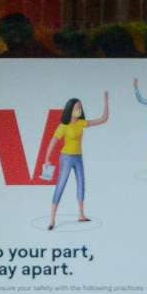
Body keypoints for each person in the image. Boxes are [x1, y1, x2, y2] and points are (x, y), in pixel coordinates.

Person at [42, 92, 109, 231]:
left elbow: (103, 119)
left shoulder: (81, 123)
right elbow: (53, 142)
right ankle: (52, 219)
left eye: (80, 107)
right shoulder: (63, 126)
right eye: (77, 107)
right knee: (61, 185)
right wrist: (47, 159)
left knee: (81, 184)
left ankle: (81, 214)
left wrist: (106, 102)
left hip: (78, 157)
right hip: (66, 157)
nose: (79, 110)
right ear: (70, 109)